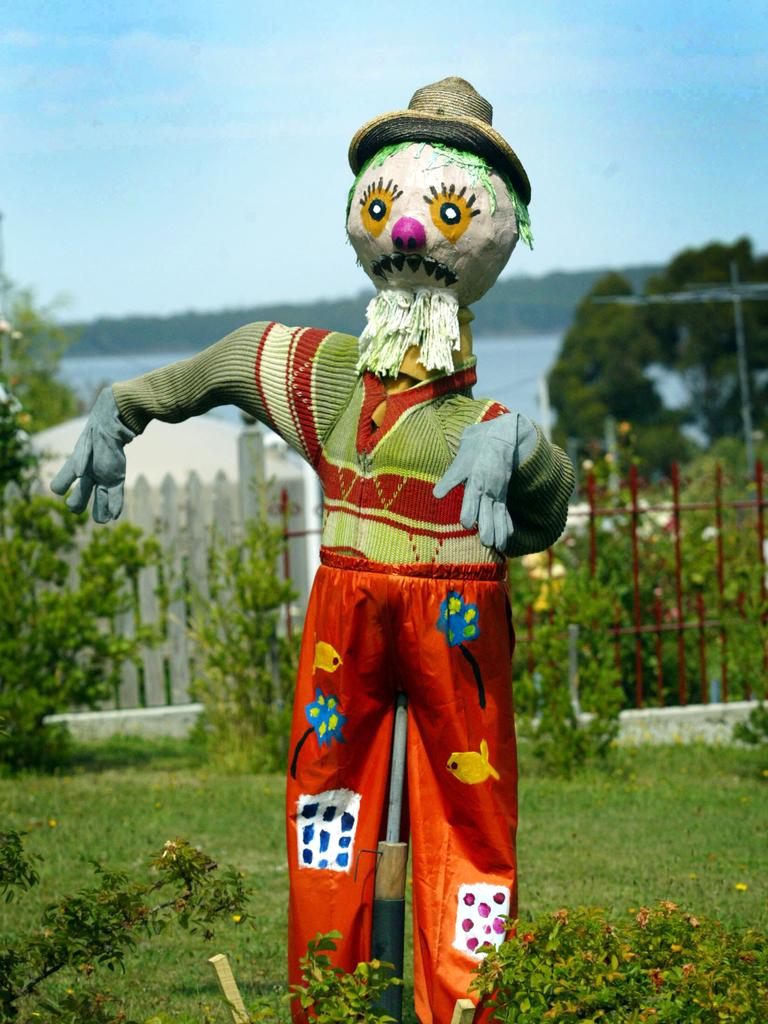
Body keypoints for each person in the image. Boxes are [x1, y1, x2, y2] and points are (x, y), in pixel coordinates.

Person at [52, 77, 573, 1024]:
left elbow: (543, 512)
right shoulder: (325, 381)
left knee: (472, 825)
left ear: (494, 230)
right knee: (324, 810)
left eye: (447, 212)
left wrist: (521, 448)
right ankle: (330, 1003)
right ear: (363, 218)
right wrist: (124, 404)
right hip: (345, 617)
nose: (410, 233)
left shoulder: (484, 422)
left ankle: (467, 1008)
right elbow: (229, 361)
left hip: (457, 623)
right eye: (387, 208)